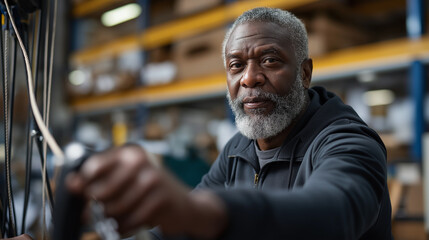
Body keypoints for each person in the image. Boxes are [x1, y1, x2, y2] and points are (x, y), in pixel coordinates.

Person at [67, 7, 392, 240]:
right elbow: (180, 224)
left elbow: (335, 214)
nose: (249, 78)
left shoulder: (348, 141)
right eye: (236, 65)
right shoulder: (239, 148)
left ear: (304, 73)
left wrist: (203, 212)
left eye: (270, 60)